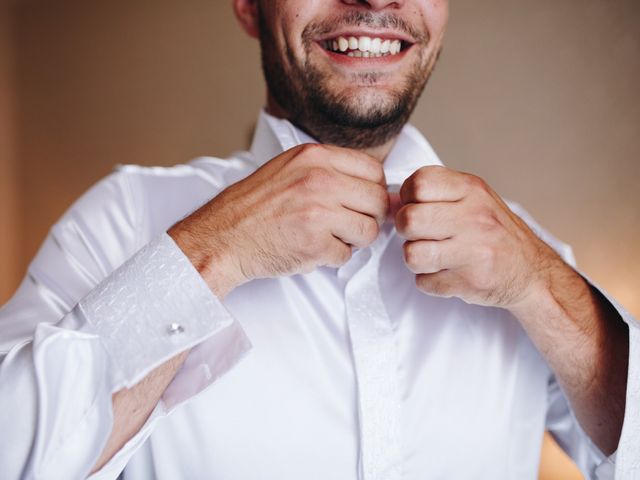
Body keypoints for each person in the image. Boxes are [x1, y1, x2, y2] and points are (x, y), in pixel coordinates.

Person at [0, 0, 637, 479]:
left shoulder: (524, 259)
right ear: (250, 5)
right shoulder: (121, 220)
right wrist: (216, 250)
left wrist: (539, 285)